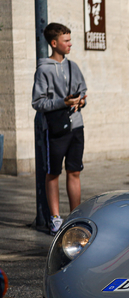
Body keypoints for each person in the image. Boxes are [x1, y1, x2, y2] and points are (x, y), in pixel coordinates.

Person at [32, 23, 88, 234]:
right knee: (53, 173)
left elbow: (83, 91)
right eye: (66, 40)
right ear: (54, 43)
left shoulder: (74, 67)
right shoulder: (43, 70)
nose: (70, 44)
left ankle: (75, 216)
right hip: (55, 130)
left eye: (70, 39)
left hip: (77, 127)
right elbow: (38, 103)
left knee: (74, 171)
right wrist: (62, 102)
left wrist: (80, 101)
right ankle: (55, 218)